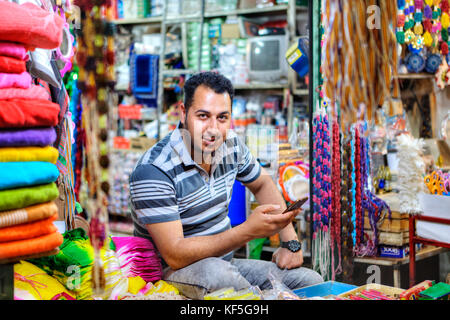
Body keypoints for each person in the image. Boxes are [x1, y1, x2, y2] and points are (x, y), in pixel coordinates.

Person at [129, 71, 323, 299]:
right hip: (170, 272)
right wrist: (247, 231)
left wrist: (290, 241)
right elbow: (174, 255)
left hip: (224, 264)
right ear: (183, 113)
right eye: (203, 116)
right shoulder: (154, 169)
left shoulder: (230, 145)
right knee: (217, 276)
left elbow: (262, 183)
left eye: (222, 118)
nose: (213, 129)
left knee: (310, 281)